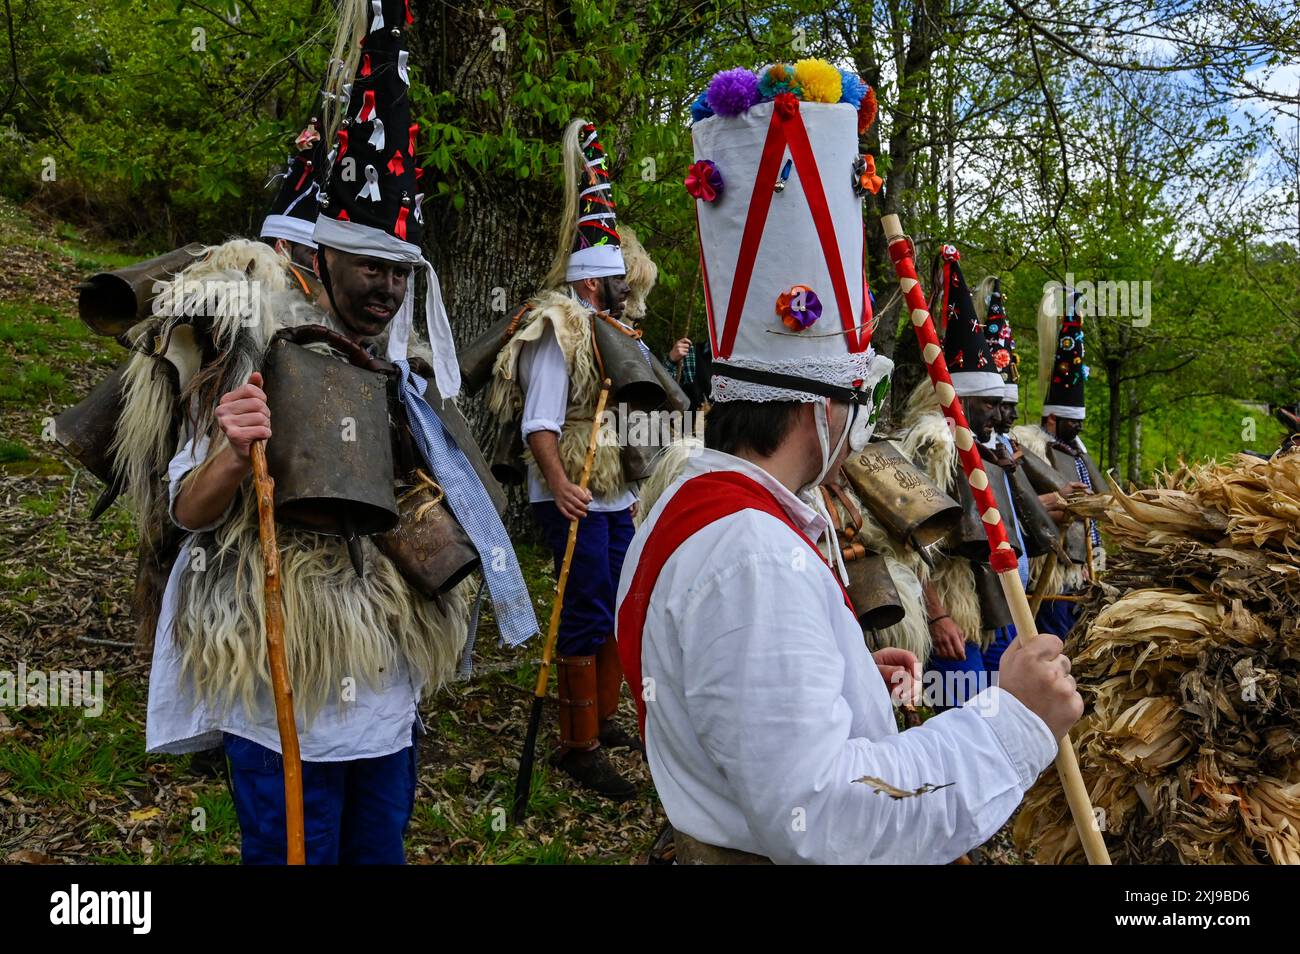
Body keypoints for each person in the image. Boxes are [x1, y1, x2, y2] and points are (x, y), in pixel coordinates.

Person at [615, 61, 1080, 864]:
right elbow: (826, 815)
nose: (864, 416)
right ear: (817, 404)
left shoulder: (699, 506)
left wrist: (848, 679)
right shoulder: (753, 556)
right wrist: (1012, 719)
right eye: (857, 391)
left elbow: (743, 707)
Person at [117, 0, 537, 864]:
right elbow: (188, 512)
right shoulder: (255, 346)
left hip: (384, 693)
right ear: (324, 257)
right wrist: (235, 455)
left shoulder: (411, 377)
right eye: (369, 266)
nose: (386, 286)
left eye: (400, 270)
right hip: (279, 689)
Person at [486, 119, 656, 800]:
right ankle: (576, 744)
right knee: (582, 608)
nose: (628, 292)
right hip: (573, 492)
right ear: (594, 285)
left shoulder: (608, 332)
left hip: (611, 492)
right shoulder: (557, 332)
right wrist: (557, 486)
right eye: (619, 283)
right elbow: (539, 422)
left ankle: (604, 717)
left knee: (618, 599)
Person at [1013, 285, 1105, 638]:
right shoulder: (1033, 447)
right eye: (1072, 421)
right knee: (1054, 641)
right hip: (1050, 573)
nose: (1078, 427)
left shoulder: (1075, 448)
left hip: (1082, 574)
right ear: (1052, 419)